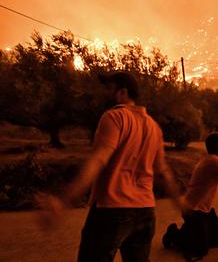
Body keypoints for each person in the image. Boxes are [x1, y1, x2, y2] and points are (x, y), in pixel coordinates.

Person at [36, 72, 181, 262]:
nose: (102, 93)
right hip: (146, 211)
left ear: (122, 92)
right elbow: (163, 173)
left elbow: (98, 161)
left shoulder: (114, 117)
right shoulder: (154, 127)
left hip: (112, 210)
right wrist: (180, 203)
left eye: (107, 88)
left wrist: (63, 201)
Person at [162, 132, 218, 259]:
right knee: (200, 250)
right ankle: (174, 234)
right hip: (193, 211)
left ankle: (192, 232)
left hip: (204, 211)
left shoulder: (211, 161)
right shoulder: (215, 161)